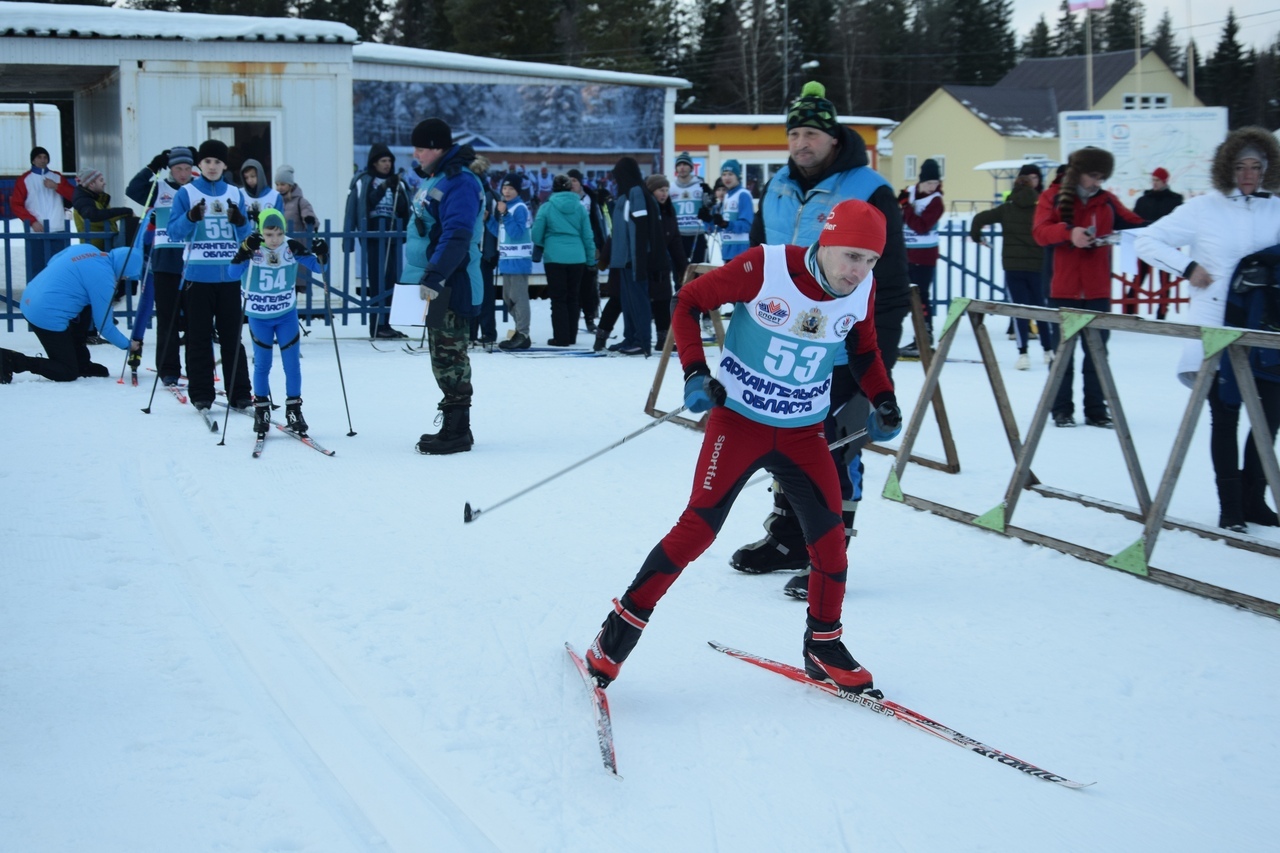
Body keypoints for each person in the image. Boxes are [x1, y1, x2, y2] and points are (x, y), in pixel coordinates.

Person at [582, 199, 900, 692]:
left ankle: (823, 644)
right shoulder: (765, 266)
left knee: (831, 542)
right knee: (697, 531)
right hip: (739, 424)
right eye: (851, 256)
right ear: (826, 242)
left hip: (803, 433)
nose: (859, 271)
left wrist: (884, 401)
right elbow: (687, 302)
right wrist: (694, 372)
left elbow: (864, 349)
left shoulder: (863, 290)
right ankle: (616, 633)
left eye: (870, 261)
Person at [729, 80, 912, 598]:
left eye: (811, 133)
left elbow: (892, 281)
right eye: (794, 133)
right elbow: (756, 267)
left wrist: (877, 363)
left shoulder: (868, 188)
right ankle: (788, 537)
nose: (801, 143)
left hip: (842, 347)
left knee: (837, 448)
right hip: (782, 344)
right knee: (784, 443)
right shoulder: (778, 188)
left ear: (833, 138)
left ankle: (830, 559)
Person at [1135, 127, 1280, 531]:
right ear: (1226, 168)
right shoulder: (1204, 209)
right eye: (1240, 166)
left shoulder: (1277, 208)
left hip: (1266, 331)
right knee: (1227, 415)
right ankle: (1230, 505)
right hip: (1216, 327)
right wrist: (1187, 268)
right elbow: (1148, 241)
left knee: (1269, 417)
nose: (1249, 174)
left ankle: (1255, 499)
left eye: (1257, 166)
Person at [1032, 146, 1145, 429]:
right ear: (1078, 173)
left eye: (1101, 177)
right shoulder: (1053, 197)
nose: (1097, 183)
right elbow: (1040, 232)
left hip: (1097, 292)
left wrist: (1162, 224)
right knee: (1063, 355)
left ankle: (1096, 410)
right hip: (1062, 289)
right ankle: (1061, 409)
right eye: (1093, 176)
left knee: (1097, 354)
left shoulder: (1107, 201)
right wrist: (1069, 233)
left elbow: (1135, 223)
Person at [403, 118, 485, 455]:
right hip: (435, 281)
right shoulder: (435, 177)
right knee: (440, 353)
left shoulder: (460, 182)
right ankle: (453, 424)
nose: (416, 153)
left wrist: (436, 275)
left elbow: (458, 233)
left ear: (438, 147)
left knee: (450, 355)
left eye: (422, 147)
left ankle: (457, 431)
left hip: (452, 282)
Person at [166, 138, 255, 411]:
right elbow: (173, 233)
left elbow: (248, 237)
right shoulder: (187, 193)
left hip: (229, 277)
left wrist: (240, 222)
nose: (212, 166)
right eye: (207, 161)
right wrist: (190, 218)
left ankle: (239, 393)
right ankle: (201, 393)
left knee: (232, 338)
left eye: (217, 161)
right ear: (199, 164)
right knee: (198, 337)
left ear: (225, 164)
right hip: (198, 277)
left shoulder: (236, 193)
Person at [226, 208, 328, 436]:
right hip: (259, 316)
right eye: (269, 234)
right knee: (263, 364)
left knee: (292, 364)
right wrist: (243, 252)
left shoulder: (290, 246)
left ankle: (294, 411)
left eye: (278, 234)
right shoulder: (252, 246)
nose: (274, 240)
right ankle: (262, 410)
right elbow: (232, 273)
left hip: (285, 315)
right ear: (261, 231)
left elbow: (320, 268)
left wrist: (323, 254)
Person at [1, 245, 142, 383]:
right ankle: (10, 360)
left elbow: (52, 261)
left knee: (87, 305)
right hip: (45, 316)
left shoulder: (87, 249)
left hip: (30, 298)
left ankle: (81, 363)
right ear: (124, 271)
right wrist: (128, 345)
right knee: (67, 371)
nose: (123, 278)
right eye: (125, 276)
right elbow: (104, 325)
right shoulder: (104, 280)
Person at [970, 163, 1055, 370]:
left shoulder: (1006, 209)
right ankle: (1048, 350)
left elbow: (979, 218)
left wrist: (976, 236)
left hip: (1013, 266)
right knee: (1041, 308)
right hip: (1037, 265)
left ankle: (1023, 353)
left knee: (1019, 309)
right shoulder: (1040, 209)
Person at [126, 145, 195, 385]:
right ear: (171, 169)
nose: (183, 173)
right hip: (165, 260)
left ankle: (197, 369)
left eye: (187, 168)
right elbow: (133, 189)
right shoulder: (159, 189)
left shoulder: (196, 189)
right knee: (168, 319)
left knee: (195, 320)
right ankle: (168, 370)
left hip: (191, 260)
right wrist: (152, 166)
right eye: (178, 168)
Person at [344, 143, 409, 339]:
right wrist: (383, 187)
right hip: (373, 235)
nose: (387, 164)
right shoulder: (363, 181)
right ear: (374, 162)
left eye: (389, 161)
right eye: (383, 161)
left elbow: (405, 210)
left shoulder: (398, 183)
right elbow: (361, 205)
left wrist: (396, 187)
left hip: (392, 235)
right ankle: (376, 325)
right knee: (377, 280)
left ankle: (387, 323)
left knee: (392, 281)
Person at [608, 156, 665, 356]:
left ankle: (642, 340)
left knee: (638, 300)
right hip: (624, 259)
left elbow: (641, 228)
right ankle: (631, 337)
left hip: (634, 259)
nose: (616, 181)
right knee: (627, 301)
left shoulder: (636, 192)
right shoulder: (625, 195)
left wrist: (639, 260)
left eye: (618, 176)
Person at [532, 174, 594, 346]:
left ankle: (561, 337)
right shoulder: (580, 208)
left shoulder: (547, 207)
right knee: (573, 298)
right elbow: (588, 236)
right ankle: (572, 336)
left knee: (558, 299)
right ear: (569, 188)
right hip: (577, 257)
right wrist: (590, 261)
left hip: (554, 257)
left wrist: (547, 242)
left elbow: (536, 234)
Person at [897, 158, 945, 359]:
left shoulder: (936, 202)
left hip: (924, 257)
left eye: (935, 183)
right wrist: (901, 205)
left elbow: (921, 225)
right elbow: (897, 214)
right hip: (906, 253)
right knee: (903, 296)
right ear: (921, 181)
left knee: (921, 296)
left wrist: (906, 208)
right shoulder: (910, 193)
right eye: (928, 183)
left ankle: (924, 338)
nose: (932, 187)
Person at [1126, 167, 1184, 319]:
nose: (1154, 183)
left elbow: (1177, 222)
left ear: (1165, 181)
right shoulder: (1143, 200)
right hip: (1145, 245)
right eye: (1153, 180)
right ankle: (1129, 310)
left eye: (1157, 180)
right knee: (1138, 278)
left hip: (1166, 246)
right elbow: (1135, 220)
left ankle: (1162, 312)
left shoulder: (1175, 200)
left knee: (1165, 281)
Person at [11, 146, 74, 282]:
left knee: (60, 269)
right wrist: (32, 221)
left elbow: (73, 195)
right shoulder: (24, 179)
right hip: (36, 231)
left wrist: (57, 186)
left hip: (58, 228)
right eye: (39, 157)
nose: (42, 160)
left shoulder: (57, 177)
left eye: (45, 157)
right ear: (33, 160)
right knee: (37, 269)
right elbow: (16, 204)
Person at [490, 175, 534, 350]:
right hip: (508, 260)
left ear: (517, 191)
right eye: (505, 188)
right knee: (508, 299)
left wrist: (505, 214)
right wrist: (489, 220)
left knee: (519, 298)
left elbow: (516, 233)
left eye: (511, 189)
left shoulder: (519, 208)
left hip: (518, 260)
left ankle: (523, 333)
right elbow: (502, 233)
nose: (506, 192)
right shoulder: (507, 208)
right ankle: (520, 332)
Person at [646, 173, 689, 350]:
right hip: (644, 263)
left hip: (661, 263)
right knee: (634, 302)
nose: (663, 194)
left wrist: (683, 268)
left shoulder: (669, 210)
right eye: (659, 190)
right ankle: (610, 335)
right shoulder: (646, 209)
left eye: (666, 190)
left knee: (663, 300)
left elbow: (675, 241)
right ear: (651, 191)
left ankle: (663, 339)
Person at [568, 169, 607, 333]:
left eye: (575, 180)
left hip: (589, 245)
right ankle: (572, 319)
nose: (572, 184)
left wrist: (600, 245)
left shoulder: (590, 198)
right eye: (569, 181)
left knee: (589, 285)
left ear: (580, 182)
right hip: (571, 247)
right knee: (573, 285)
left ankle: (590, 318)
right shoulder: (564, 199)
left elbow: (598, 223)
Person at [470, 155, 500, 347]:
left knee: (485, 295)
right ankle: (472, 333)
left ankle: (487, 333)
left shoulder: (491, 196)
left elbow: (498, 225)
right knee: (471, 294)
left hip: (484, 251)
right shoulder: (467, 191)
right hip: (471, 250)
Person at [71, 168, 134, 252]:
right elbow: (95, 216)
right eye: (101, 180)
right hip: (95, 251)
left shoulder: (97, 199)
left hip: (104, 248)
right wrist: (126, 211)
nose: (104, 183)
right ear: (91, 184)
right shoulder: (83, 201)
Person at [670, 152, 713, 264]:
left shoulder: (700, 185)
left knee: (700, 272)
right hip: (679, 236)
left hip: (697, 235)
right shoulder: (671, 188)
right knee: (680, 273)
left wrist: (710, 200)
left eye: (685, 164)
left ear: (691, 167)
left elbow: (710, 207)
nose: (682, 167)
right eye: (679, 165)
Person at [713, 159, 753, 262]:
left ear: (737, 176)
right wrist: (708, 219)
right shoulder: (727, 196)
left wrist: (726, 224)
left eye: (730, 174)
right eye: (724, 174)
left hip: (741, 250)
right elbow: (719, 227)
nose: (727, 178)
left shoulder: (743, 194)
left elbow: (746, 225)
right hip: (727, 250)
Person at [274, 165, 317, 233]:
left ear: (290, 185)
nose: (279, 187)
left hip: (297, 242)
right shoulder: (275, 202)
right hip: (279, 242)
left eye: (282, 184)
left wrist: (309, 219)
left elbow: (313, 223)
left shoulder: (300, 202)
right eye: (277, 184)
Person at [239, 159, 283, 223]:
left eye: (253, 176)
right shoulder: (240, 194)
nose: (249, 180)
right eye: (246, 178)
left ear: (260, 175)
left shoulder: (275, 196)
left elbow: (279, 223)